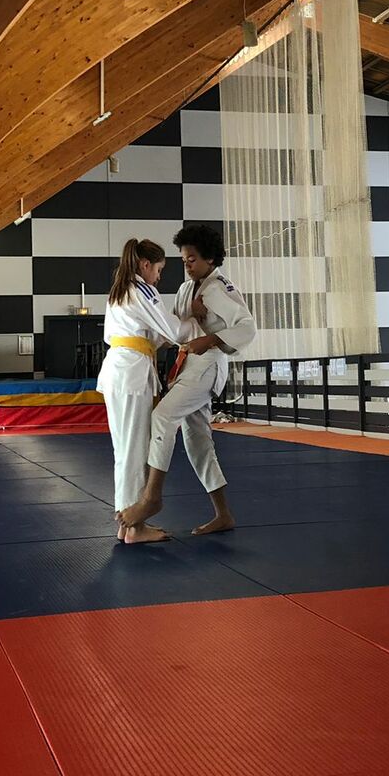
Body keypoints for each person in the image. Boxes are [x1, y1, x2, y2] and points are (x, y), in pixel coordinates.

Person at [119, 224, 256, 536]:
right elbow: (172, 330)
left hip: (208, 365)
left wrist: (210, 339)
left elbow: (247, 327)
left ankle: (151, 498)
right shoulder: (185, 290)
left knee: (163, 417)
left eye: (192, 260)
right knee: (197, 441)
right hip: (188, 366)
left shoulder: (219, 288)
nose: (187, 265)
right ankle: (223, 514)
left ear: (210, 259)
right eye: (183, 260)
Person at [97, 238, 218, 544]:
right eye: (159, 270)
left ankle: (127, 522)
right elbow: (173, 331)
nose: (159, 277)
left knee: (126, 449)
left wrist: (184, 319)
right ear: (145, 264)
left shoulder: (122, 289)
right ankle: (134, 526)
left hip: (124, 370)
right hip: (131, 374)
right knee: (134, 450)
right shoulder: (141, 289)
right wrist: (196, 320)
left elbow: (157, 335)